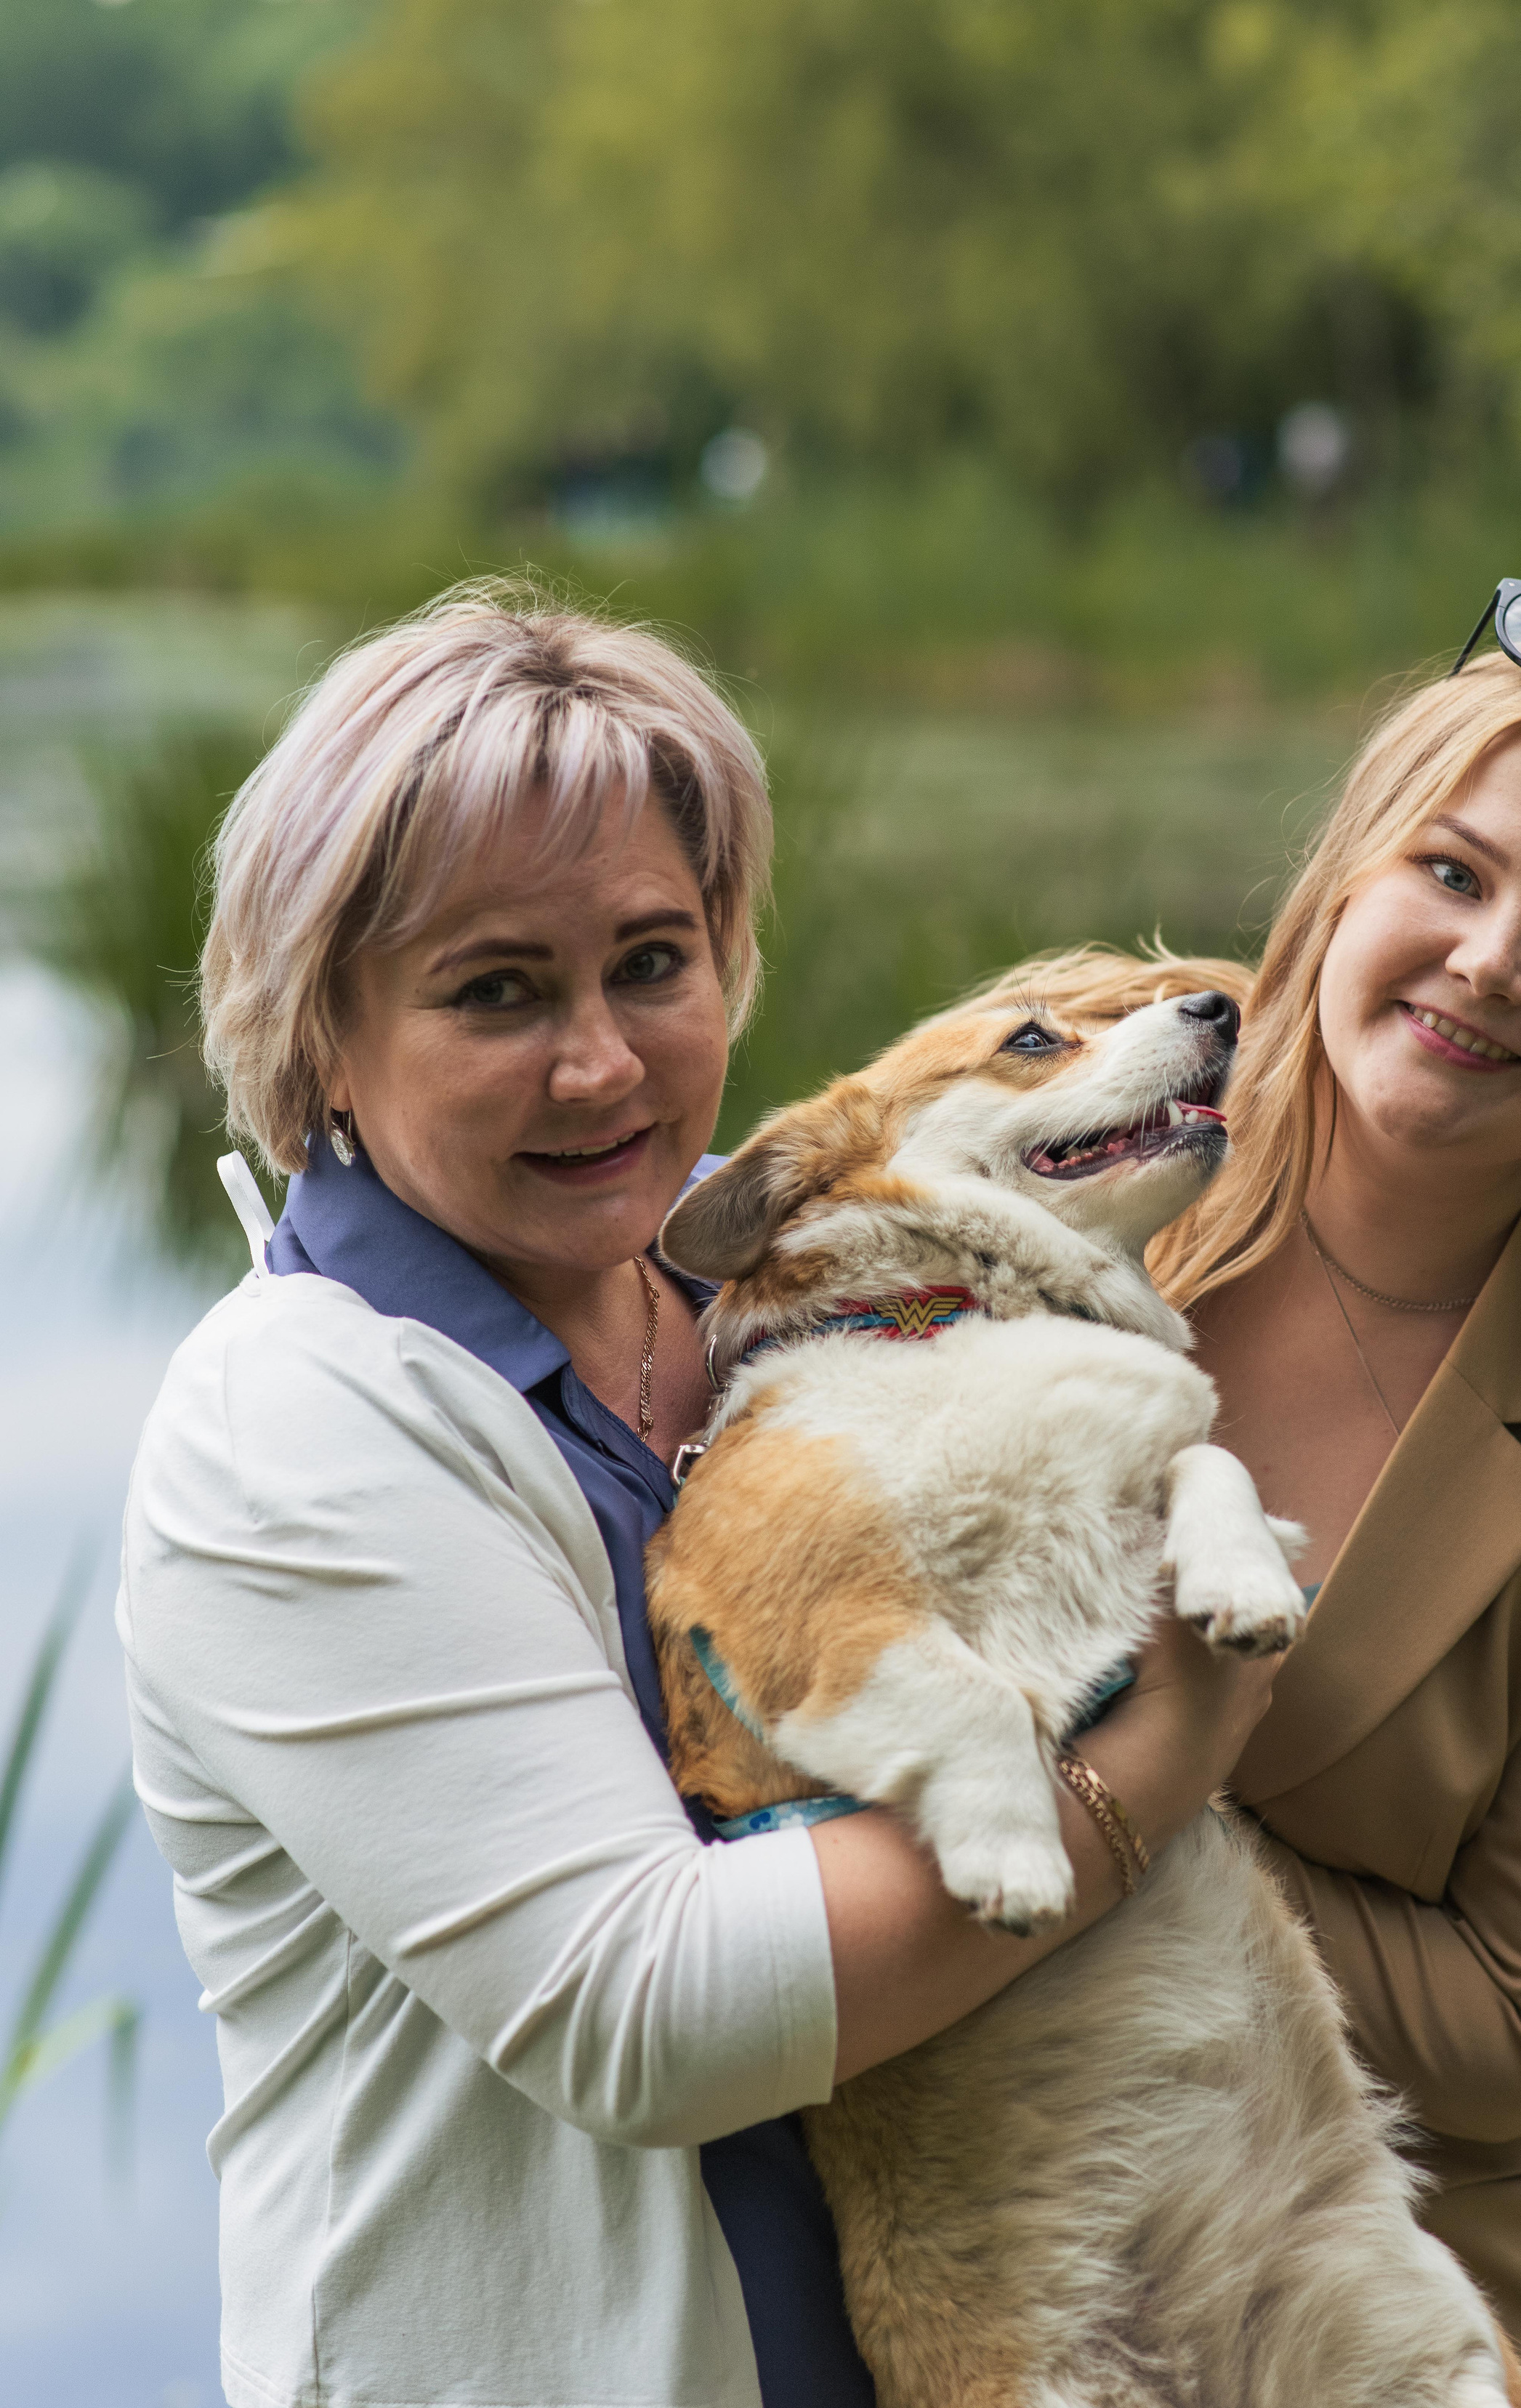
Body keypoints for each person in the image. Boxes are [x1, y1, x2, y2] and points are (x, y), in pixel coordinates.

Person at [118, 582, 1277, 2408]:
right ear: (323, 1030)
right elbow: (646, 2012)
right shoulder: (293, 1434)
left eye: (651, 963)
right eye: (497, 992)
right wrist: (1162, 1752)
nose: (602, 1062)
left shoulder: (798, 1261)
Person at [977, 595, 1521, 2407]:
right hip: (998, 2211)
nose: (1486, 960)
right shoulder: (1077, 1136)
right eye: (1449, 873)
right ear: (1343, 883)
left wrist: (1087, 1817)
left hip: (1400, 2307)